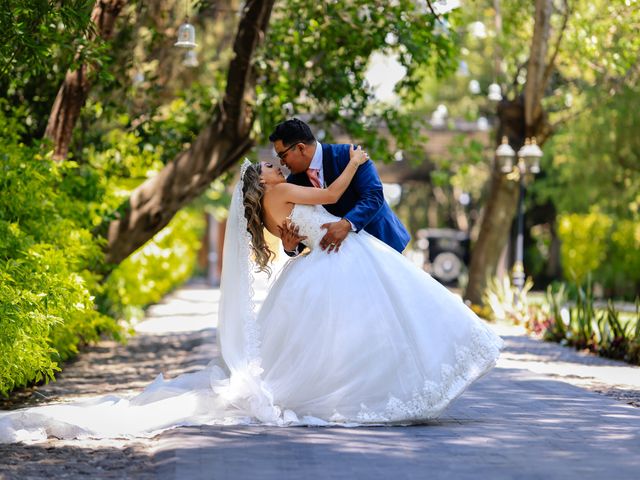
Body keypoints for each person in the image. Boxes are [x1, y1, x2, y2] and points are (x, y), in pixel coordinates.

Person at [0, 149, 502, 444]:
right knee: (353, 332)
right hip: (332, 261)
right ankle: (370, 391)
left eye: (276, 160)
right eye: (269, 166)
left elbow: (292, 239)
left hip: (325, 261)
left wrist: (295, 236)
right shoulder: (281, 194)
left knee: (349, 334)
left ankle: (375, 389)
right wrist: (355, 162)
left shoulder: (272, 200)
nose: (275, 165)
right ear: (260, 184)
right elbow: (328, 200)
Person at [268, 118, 410, 255]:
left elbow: (373, 195)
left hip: (381, 241)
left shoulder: (349, 155)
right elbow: (305, 226)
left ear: (300, 148)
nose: (281, 163)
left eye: (283, 155)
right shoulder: (293, 183)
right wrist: (291, 248)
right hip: (341, 258)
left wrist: (347, 223)